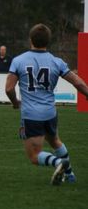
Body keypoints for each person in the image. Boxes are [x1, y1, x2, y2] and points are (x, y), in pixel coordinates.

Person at [5, 23, 88, 185]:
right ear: (48, 41)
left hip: (31, 115)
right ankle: (70, 175)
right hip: (50, 113)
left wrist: (15, 102)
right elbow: (77, 82)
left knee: (34, 156)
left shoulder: (19, 60)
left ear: (30, 39)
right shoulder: (56, 62)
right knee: (55, 140)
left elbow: (9, 88)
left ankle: (59, 163)